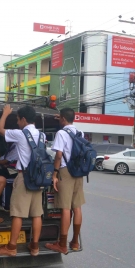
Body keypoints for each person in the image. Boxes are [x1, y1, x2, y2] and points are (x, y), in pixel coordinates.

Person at [0, 104, 44, 257]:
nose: (17, 122)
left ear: (24, 119)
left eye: (18, 119)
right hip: (38, 178)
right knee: (36, 214)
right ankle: (34, 247)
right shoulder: (42, 136)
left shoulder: (21, 134)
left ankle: (11, 247)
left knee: (17, 214)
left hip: (24, 176)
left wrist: (5, 114)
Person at [46, 108, 85, 254]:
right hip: (78, 172)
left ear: (62, 119)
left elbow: (59, 155)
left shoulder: (61, 133)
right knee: (77, 207)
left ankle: (62, 244)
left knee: (65, 209)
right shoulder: (80, 132)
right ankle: (74, 242)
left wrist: (55, 174)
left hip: (65, 171)